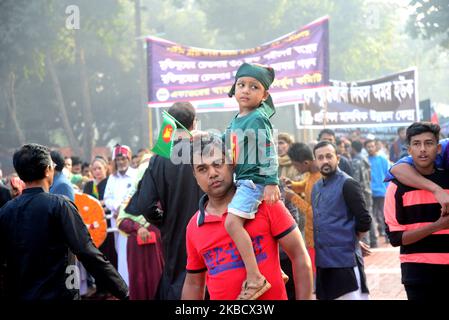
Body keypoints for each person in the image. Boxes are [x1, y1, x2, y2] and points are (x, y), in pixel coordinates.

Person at [181, 137, 313, 300]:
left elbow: (299, 255)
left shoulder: (264, 203)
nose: (213, 173)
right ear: (195, 176)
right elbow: (194, 283)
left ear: (231, 164)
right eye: (202, 169)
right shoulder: (194, 227)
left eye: (218, 164)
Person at [0, 143, 128, 300]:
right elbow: (87, 251)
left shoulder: (6, 211)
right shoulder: (59, 205)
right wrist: (122, 289)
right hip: (59, 294)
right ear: (48, 170)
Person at [131, 101, 204, 300]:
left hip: (175, 233)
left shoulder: (159, 158)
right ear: (194, 123)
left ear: (169, 125)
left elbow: (145, 204)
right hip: (208, 226)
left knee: (179, 279)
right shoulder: (207, 151)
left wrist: (164, 222)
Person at [221, 63, 281, 299]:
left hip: (253, 181)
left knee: (231, 224)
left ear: (264, 95)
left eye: (253, 87)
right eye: (241, 85)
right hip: (241, 179)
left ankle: (255, 278)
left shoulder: (257, 118)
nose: (246, 90)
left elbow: (269, 149)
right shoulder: (236, 119)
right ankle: (274, 270)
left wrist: (271, 182)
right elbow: (225, 141)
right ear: (234, 88)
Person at [384, 122, 449, 300]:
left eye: (428, 144)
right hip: (418, 274)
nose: (422, 149)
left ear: (438, 149)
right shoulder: (396, 187)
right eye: (417, 144)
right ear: (409, 150)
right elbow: (396, 238)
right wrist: (437, 226)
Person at [311, 141, 371, 300]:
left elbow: (364, 220)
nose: (325, 161)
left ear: (337, 158)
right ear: (316, 161)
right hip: (323, 261)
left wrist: (353, 240)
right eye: (320, 157)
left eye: (329, 156)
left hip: (345, 262)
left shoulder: (348, 183)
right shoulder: (316, 187)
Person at [117, 152, 164, 300]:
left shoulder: (163, 195)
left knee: (158, 279)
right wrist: (138, 227)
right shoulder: (131, 196)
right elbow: (121, 221)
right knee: (138, 281)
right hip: (136, 247)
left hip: (157, 246)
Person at [283, 142, 321, 277]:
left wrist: (293, 198)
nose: (295, 168)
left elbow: (316, 213)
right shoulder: (311, 174)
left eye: (295, 165)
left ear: (305, 163)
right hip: (311, 235)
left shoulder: (320, 180)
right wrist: (292, 185)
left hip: (319, 239)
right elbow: (304, 186)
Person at [83, 156, 117, 298]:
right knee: (96, 258)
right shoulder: (88, 185)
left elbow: (110, 201)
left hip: (107, 225)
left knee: (109, 257)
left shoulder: (110, 182)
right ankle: (100, 287)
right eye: (94, 169)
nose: (97, 171)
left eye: (99, 168)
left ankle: (113, 288)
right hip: (92, 228)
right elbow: (84, 203)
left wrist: (100, 203)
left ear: (106, 169)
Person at [104, 144, 137, 288]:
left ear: (128, 159)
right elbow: (107, 198)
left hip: (132, 220)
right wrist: (116, 206)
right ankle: (125, 286)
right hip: (117, 221)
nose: (120, 162)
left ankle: (133, 285)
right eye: (117, 160)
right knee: (120, 252)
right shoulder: (112, 178)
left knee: (130, 252)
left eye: (123, 159)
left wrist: (124, 208)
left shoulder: (136, 175)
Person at [351, 140, 377, 248]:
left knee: (363, 216)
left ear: (353, 148)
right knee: (370, 215)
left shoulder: (356, 161)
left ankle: (366, 242)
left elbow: (356, 179)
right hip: (368, 190)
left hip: (361, 192)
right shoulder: (365, 159)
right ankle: (373, 240)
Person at [364, 139, 390, 243]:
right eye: (368, 146)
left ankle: (388, 236)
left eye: (372, 146)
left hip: (382, 191)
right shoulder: (365, 160)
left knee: (384, 215)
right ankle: (374, 239)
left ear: (376, 147)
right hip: (370, 192)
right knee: (372, 216)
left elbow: (388, 175)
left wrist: (388, 189)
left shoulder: (382, 160)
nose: (370, 148)